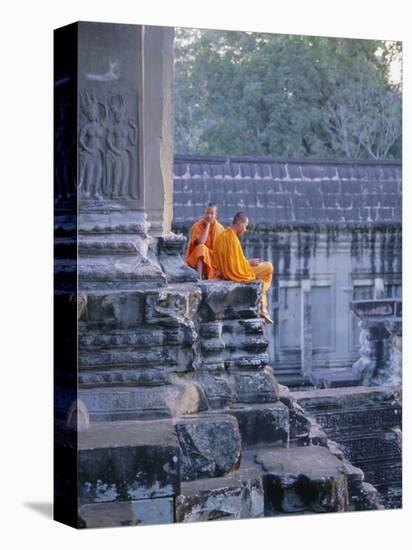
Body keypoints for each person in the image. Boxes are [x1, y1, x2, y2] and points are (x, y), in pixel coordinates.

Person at [213, 211, 274, 323]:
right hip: (236, 272)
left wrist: (246, 262)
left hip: (225, 272)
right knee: (269, 267)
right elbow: (235, 265)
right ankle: (263, 306)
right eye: (245, 226)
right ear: (240, 223)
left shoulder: (222, 236)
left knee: (259, 279)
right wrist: (248, 263)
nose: (245, 230)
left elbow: (231, 260)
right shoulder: (232, 238)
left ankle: (264, 308)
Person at [186, 203, 225, 280]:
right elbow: (201, 242)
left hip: (213, 259)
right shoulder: (197, 226)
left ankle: (213, 273)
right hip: (197, 258)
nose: (209, 216)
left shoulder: (220, 229)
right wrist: (207, 226)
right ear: (204, 213)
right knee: (201, 248)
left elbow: (224, 249)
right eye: (207, 213)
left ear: (216, 215)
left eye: (212, 213)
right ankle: (199, 277)